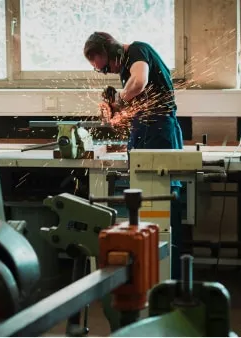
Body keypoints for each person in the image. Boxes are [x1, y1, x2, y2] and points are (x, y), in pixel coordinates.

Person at [83, 32, 184, 280]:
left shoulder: (138, 50)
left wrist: (118, 100)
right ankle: (148, 268)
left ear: (112, 50)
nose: (108, 71)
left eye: (106, 66)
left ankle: (167, 272)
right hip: (144, 130)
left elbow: (138, 83)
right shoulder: (123, 66)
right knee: (145, 201)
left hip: (159, 131)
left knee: (163, 201)